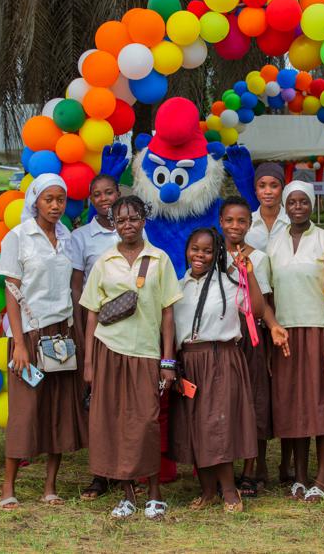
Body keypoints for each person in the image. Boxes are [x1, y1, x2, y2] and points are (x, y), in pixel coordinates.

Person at [80, 195, 182, 519]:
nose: (128, 225)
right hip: (109, 350)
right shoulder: (104, 261)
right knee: (114, 422)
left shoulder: (159, 259)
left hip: (146, 353)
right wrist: (89, 364)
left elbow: (168, 314)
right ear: (113, 223)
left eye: (133, 218)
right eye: (121, 220)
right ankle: (126, 495)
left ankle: (154, 493)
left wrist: (167, 361)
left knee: (146, 423)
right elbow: (92, 314)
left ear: (144, 220)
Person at [0, 173, 84, 510]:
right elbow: (12, 291)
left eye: (60, 199)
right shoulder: (19, 237)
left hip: (61, 334)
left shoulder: (67, 239)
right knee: (25, 409)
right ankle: (8, 487)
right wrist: (19, 343)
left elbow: (72, 288)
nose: (55, 206)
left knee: (58, 408)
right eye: (49, 199)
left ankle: (50, 486)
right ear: (35, 201)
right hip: (29, 335)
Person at [169, 227, 262, 513]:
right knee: (196, 425)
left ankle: (230, 490)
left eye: (208, 251)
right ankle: (208, 491)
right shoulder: (178, 286)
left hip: (219, 358)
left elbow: (256, 310)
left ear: (217, 253)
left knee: (218, 425)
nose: (200, 255)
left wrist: (249, 275)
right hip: (189, 361)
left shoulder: (229, 283)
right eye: (195, 249)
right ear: (187, 250)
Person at [266, 180, 324, 502]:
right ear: (285, 206)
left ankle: (321, 479)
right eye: (292, 202)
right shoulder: (274, 243)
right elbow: (267, 293)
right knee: (293, 406)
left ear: (312, 204)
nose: (298, 207)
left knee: (321, 406)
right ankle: (299, 477)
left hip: (319, 330)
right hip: (285, 334)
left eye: (304, 201)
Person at [218, 195, 288, 496]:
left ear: (250, 224)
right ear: (221, 222)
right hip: (220, 336)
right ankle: (223, 467)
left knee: (253, 399)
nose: (235, 226)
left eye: (242, 221)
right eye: (229, 220)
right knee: (224, 401)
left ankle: (250, 470)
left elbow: (262, 306)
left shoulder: (258, 258)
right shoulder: (210, 253)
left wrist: (272, 326)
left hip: (249, 335)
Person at [68, 173, 121, 500]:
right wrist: (80, 327)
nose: (104, 199)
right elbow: (77, 286)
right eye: (97, 195)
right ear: (91, 200)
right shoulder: (81, 237)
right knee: (99, 402)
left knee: (127, 400)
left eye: (109, 192)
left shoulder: (136, 228)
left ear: (119, 194)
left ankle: (128, 469)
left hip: (132, 329)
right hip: (97, 327)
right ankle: (101, 474)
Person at [244, 162, 289, 252]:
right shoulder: (246, 223)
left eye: (274, 186)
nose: (268, 191)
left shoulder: (292, 222)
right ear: (256, 191)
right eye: (262, 186)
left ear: (283, 190)